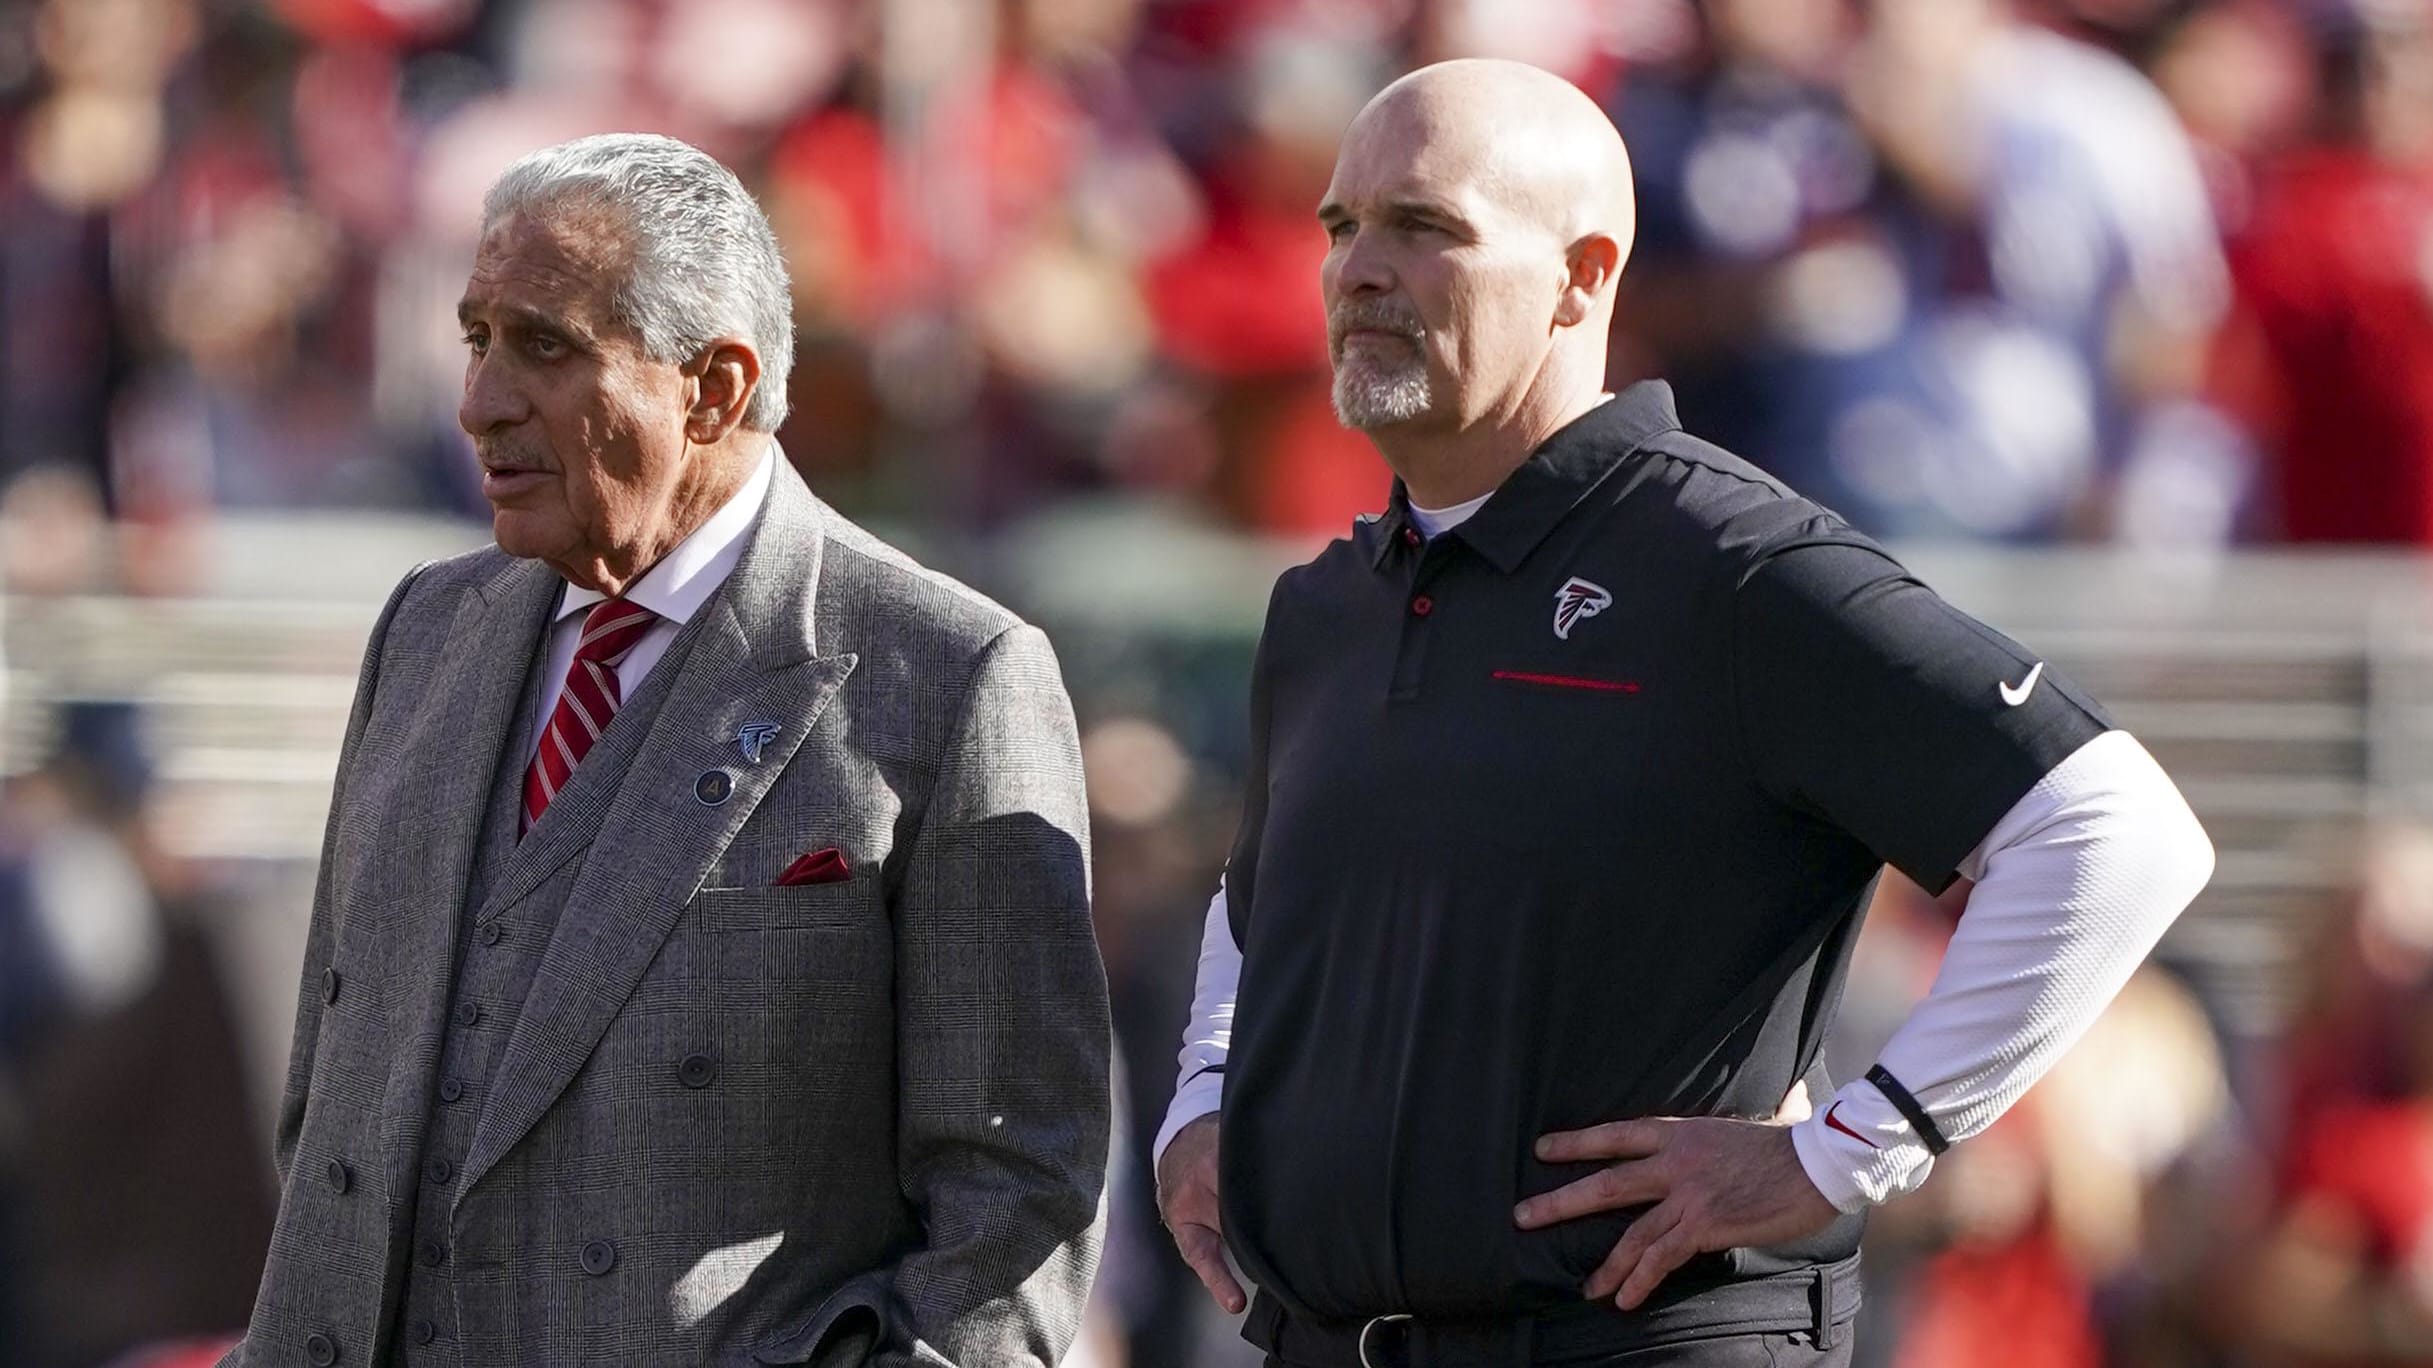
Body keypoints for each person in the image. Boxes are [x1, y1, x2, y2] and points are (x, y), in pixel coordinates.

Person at [1153, 59, 2215, 1367]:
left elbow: (2114, 830)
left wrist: (1850, 1152)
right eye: (1340, 226)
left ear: (1583, 277)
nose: (1356, 269)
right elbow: (1259, 901)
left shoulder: (1733, 568)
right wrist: (1207, 1099)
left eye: (1423, 228)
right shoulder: (1327, 600)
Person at [219, 133, 1109, 1366]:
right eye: (477, 338)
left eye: (545, 346)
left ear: (715, 387)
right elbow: (329, 1112)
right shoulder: (425, 631)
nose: (478, 402)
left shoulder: (948, 675)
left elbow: (1014, 1205)